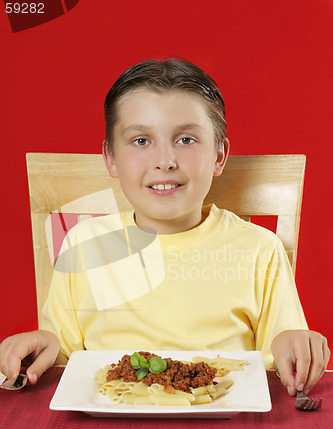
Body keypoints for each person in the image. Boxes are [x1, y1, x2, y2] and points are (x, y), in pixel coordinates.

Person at [0, 58, 329, 396]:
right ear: (110, 158)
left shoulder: (261, 249)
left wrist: (297, 343)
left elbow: (283, 359)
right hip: (107, 423)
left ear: (219, 155)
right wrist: (44, 344)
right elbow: (64, 356)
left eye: (186, 140)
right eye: (141, 141)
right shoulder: (85, 244)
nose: (165, 161)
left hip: (224, 425)